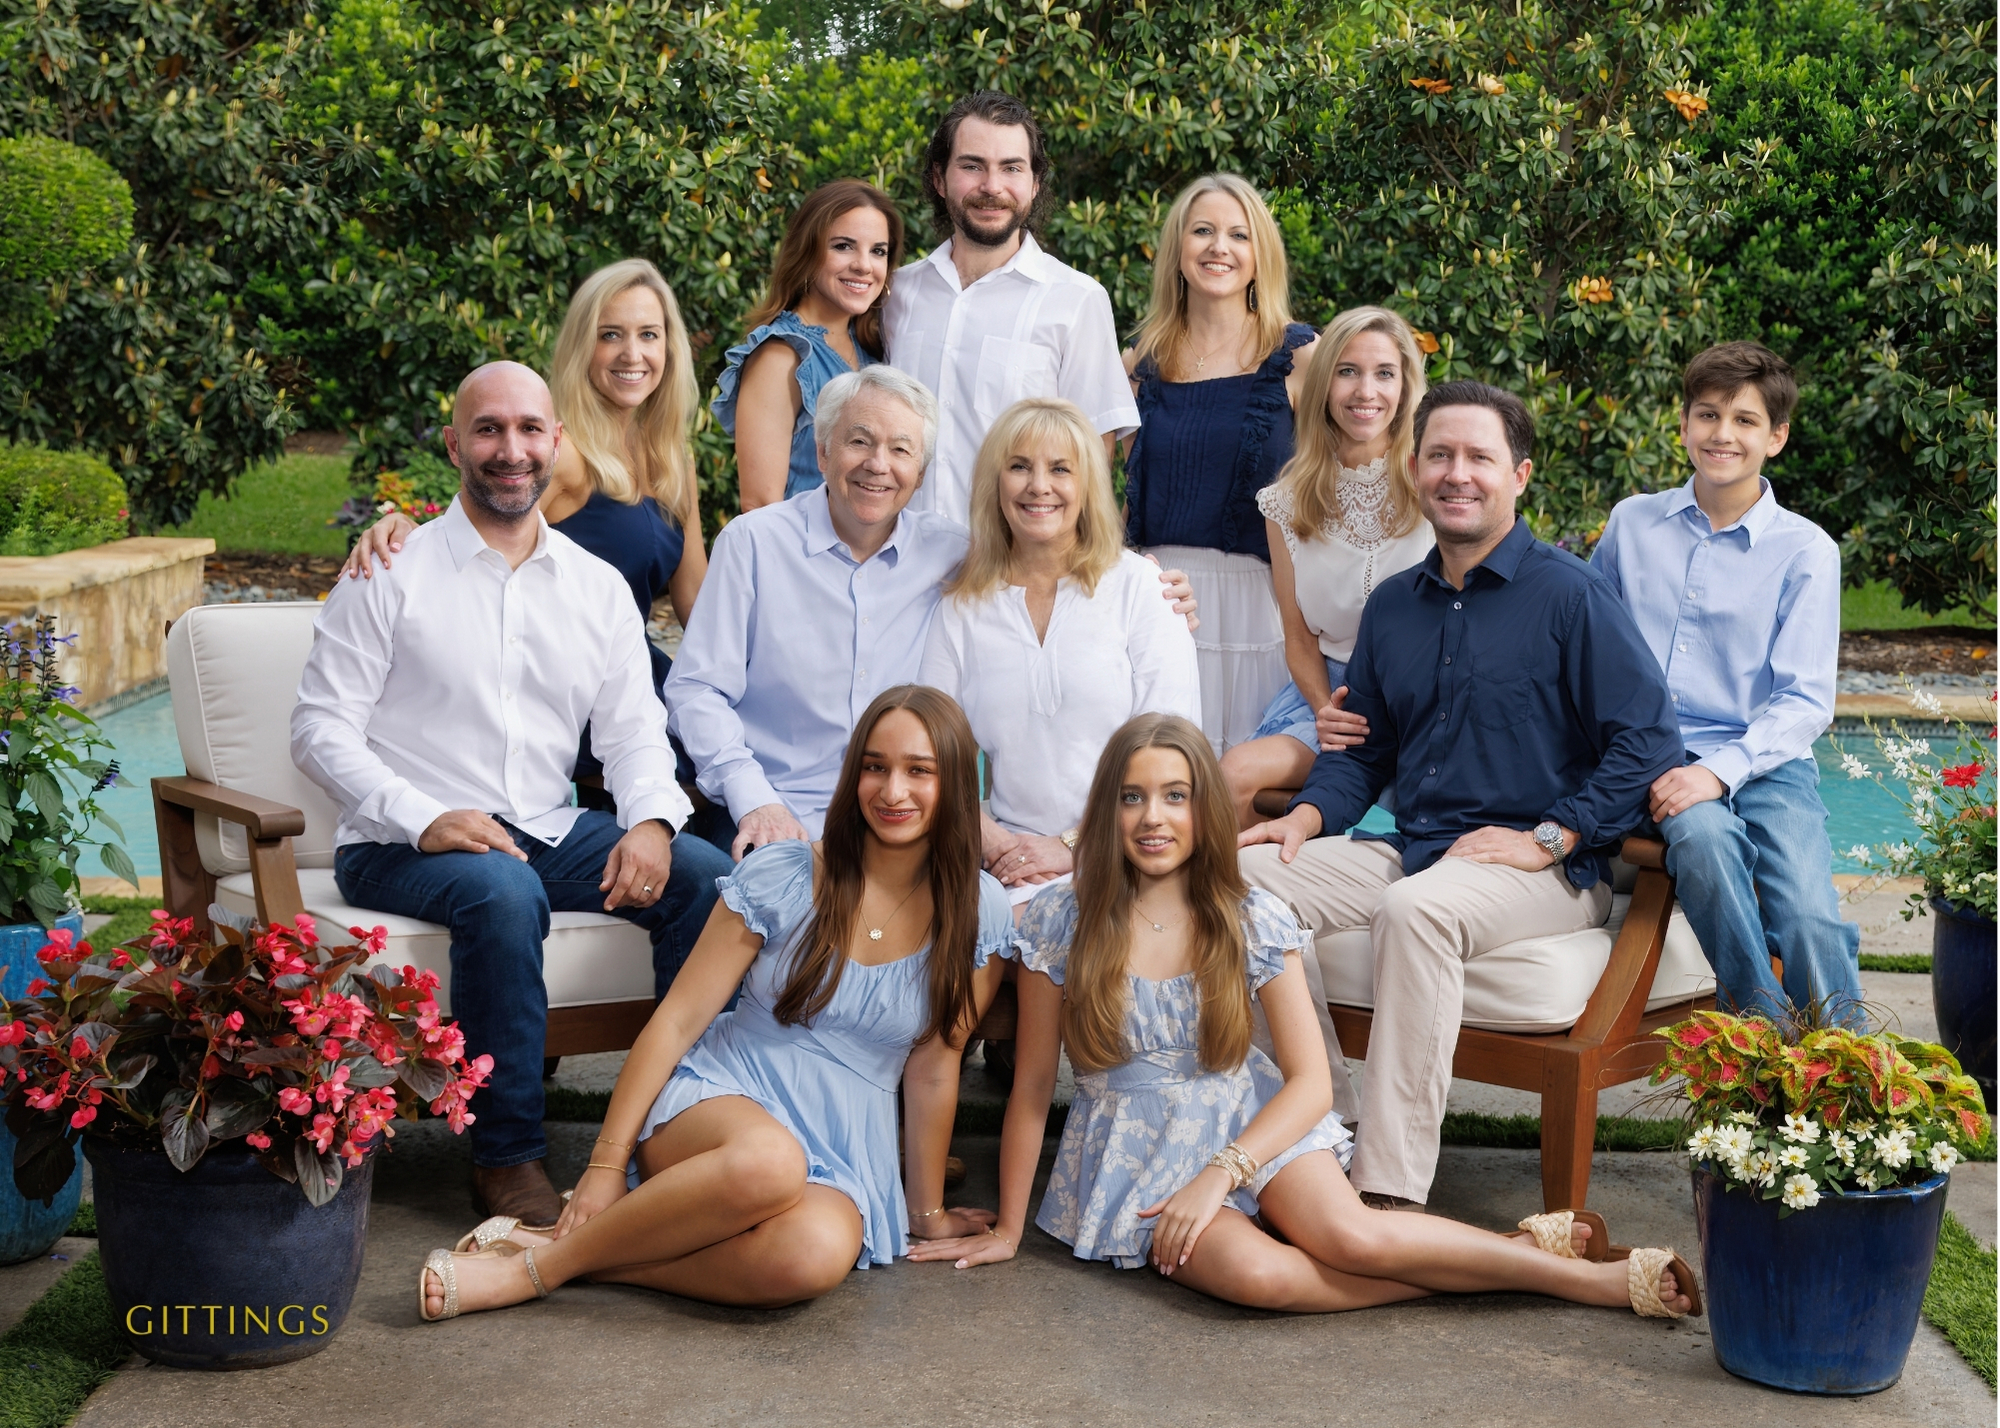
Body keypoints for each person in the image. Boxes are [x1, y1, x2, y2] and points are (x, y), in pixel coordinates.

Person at [911, 714, 1700, 1320]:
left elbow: (1313, 1082)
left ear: (1204, 812)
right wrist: (1011, 1227)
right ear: (1105, 812)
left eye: (1177, 796)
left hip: (1252, 1124)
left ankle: (1578, 1282)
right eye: (1133, 796)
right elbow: (1029, 1091)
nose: (1155, 817)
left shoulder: (1249, 913)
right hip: (1134, 1150)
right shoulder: (1060, 919)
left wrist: (1225, 1168)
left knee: (1351, 1236)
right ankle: (1509, 1257)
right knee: (1262, 1279)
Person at [417, 686, 1016, 1319]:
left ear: (955, 784)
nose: (893, 791)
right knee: (768, 1163)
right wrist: (603, 1164)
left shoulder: (980, 912)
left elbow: (933, 1068)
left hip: (847, 1133)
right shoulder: (784, 875)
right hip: (722, 1095)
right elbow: (676, 1021)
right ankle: (536, 1274)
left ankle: (572, 1249)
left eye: (919, 770)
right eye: (875, 766)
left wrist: (927, 1214)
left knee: (811, 1257)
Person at [293, 362, 730, 1228]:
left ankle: (679, 1127)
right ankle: (507, 1158)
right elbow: (318, 728)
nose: (511, 449)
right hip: (396, 842)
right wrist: (426, 815)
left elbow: (635, 733)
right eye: (488, 430)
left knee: (708, 882)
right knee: (502, 889)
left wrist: (646, 822)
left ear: (557, 444)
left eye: (530, 429)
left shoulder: (594, 588)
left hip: (544, 825)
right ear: (455, 445)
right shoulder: (391, 569)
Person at [1237, 381, 1684, 1212]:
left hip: (1540, 872)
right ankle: (1316, 1135)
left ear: (1518, 475)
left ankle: (1385, 1194)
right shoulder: (1394, 608)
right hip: (1413, 846)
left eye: (1479, 457)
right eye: (1440, 455)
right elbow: (1363, 752)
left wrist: (1553, 837)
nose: (1458, 474)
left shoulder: (1572, 597)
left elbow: (1648, 743)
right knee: (1234, 888)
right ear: (1413, 470)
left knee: (1417, 912)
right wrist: (1303, 818)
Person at [666, 365, 1196, 861]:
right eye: (859, 441)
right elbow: (696, 690)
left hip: (909, 820)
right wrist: (753, 799)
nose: (879, 464)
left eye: (901, 449)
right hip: (776, 809)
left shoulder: (950, 556)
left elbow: (1045, 551)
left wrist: (1150, 587)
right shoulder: (755, 545)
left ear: (919, 473)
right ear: (823, 452)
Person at [1592, 341, 1862, 1025]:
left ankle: (1858, 1070)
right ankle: (1762, 1038)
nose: (1722, 434)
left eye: (1745, 420)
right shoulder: (1632, 525)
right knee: (1704, 839)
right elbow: (1585, 645)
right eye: (1708, 414)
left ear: (1777, 437)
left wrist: (1720, 770)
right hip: (1654, 757)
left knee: (1807, 917)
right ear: (1683, 425)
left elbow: (1804, 701)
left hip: (1766, 762)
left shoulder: (1806, 551)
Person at [343, 259, 709, 698]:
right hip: (556, 691)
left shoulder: (673, 457)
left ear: (669, 346)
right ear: (581, 347)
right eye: (610, 334)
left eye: (648, 334)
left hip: (635, 683)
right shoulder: (562, 453)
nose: (633, 354)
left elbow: (699, 608)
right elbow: (466, 555)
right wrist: (407, 533)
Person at [919, 398, 1201, 903]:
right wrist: (990, 839)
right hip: (1007, 861)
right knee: (972, 933)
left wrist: (1075, 845)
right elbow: (932, 753)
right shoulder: (961, 607)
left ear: (1087, 485)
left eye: (1060, 469)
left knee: (1039, 935)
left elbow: (1173, 755)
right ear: (995, 482)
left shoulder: (1142, 588)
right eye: (1019, 466)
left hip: (1131, 850)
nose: (1039, 486)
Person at [1120, 174, 1317, 754]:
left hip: (1262, 607)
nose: (1218, 247)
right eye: (1202, 231)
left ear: (1260, 256)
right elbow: (1125, 495)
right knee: (1162, 781)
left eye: (1238, 234)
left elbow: (1349, 473)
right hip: (1160, 603)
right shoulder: (1139, 362)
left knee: (1239, 792)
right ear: (1178, 250)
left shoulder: (1300, 356)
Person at [1221, 306, 1436, 829]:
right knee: (1231, 773)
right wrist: (1326, 712)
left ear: (1406, 387)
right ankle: (1237, 908)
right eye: (1347, 371)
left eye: (1384, 373)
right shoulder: (1284, 504)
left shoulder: (1436, 482)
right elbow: (1298, 640)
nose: (1367, 391)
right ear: (1323, 384)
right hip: (1331, 698)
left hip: (1427, 700)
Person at [882, 91, 1138, 526]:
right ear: (940, 179)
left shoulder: (1078, 300)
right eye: (972, 165)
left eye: (1011, 168)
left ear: (1035, 184)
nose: (992, 187)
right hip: (897, 567)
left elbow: (1092, 460)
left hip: (1011, 574)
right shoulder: (895, 293)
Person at [715, 180, 905, 510]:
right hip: (799, 558)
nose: (864, 265)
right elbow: (760, 504)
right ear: (808, 251)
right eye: (843, 246)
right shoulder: (781, 356)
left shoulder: (871, 351)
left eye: (878, 251)